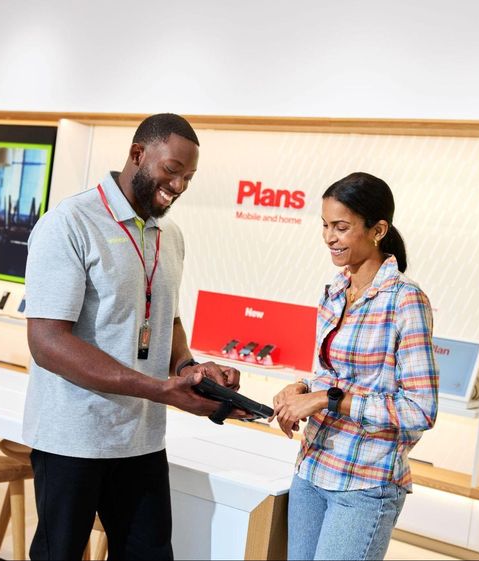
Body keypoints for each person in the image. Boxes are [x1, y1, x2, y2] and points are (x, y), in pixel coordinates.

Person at [23, 113, 249, 560]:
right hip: (73, 438)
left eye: (189, 177)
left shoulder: (170, 235)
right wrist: (161, 391)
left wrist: (189, 369)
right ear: (137, 155)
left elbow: (167, 321)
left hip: (141, 439)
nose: (179, 186)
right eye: (172, 170)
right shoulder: (69, 222)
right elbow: (47, 343)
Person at [271, 172, 439, 561]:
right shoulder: (333, 289)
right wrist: (301, 390)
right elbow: (332, 376)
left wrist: (327, 399)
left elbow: (420, 410)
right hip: (311, 469)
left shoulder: (406, 300)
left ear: (378, 230)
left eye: (341, 227)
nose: (330, 237)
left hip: (365, 483)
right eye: (325, 226)